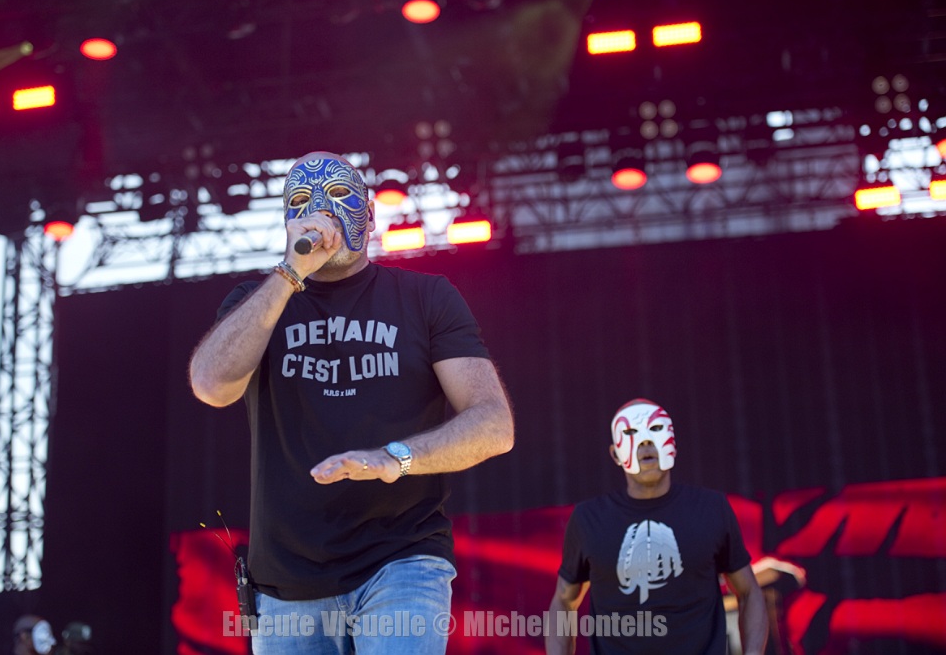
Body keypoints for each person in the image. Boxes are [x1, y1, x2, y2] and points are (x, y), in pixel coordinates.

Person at [188, 151, 514, 654]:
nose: (320, 208)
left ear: (370, 213)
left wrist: (395, 458)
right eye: (302, 200)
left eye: (339, 194)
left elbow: (493, 424)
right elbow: (211, 385)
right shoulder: (257, 304)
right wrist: (290, 273)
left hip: (402, 559)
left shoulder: (425, 298)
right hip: (286, 583)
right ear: (287, 222)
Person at [545, 398, 767, 655]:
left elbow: (748, 591)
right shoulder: (589, 518)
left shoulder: (711, 508)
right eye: (631, 432)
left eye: (655, 429)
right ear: (616, 454)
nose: (645, 442)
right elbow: (564, 601)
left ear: (672, 442)